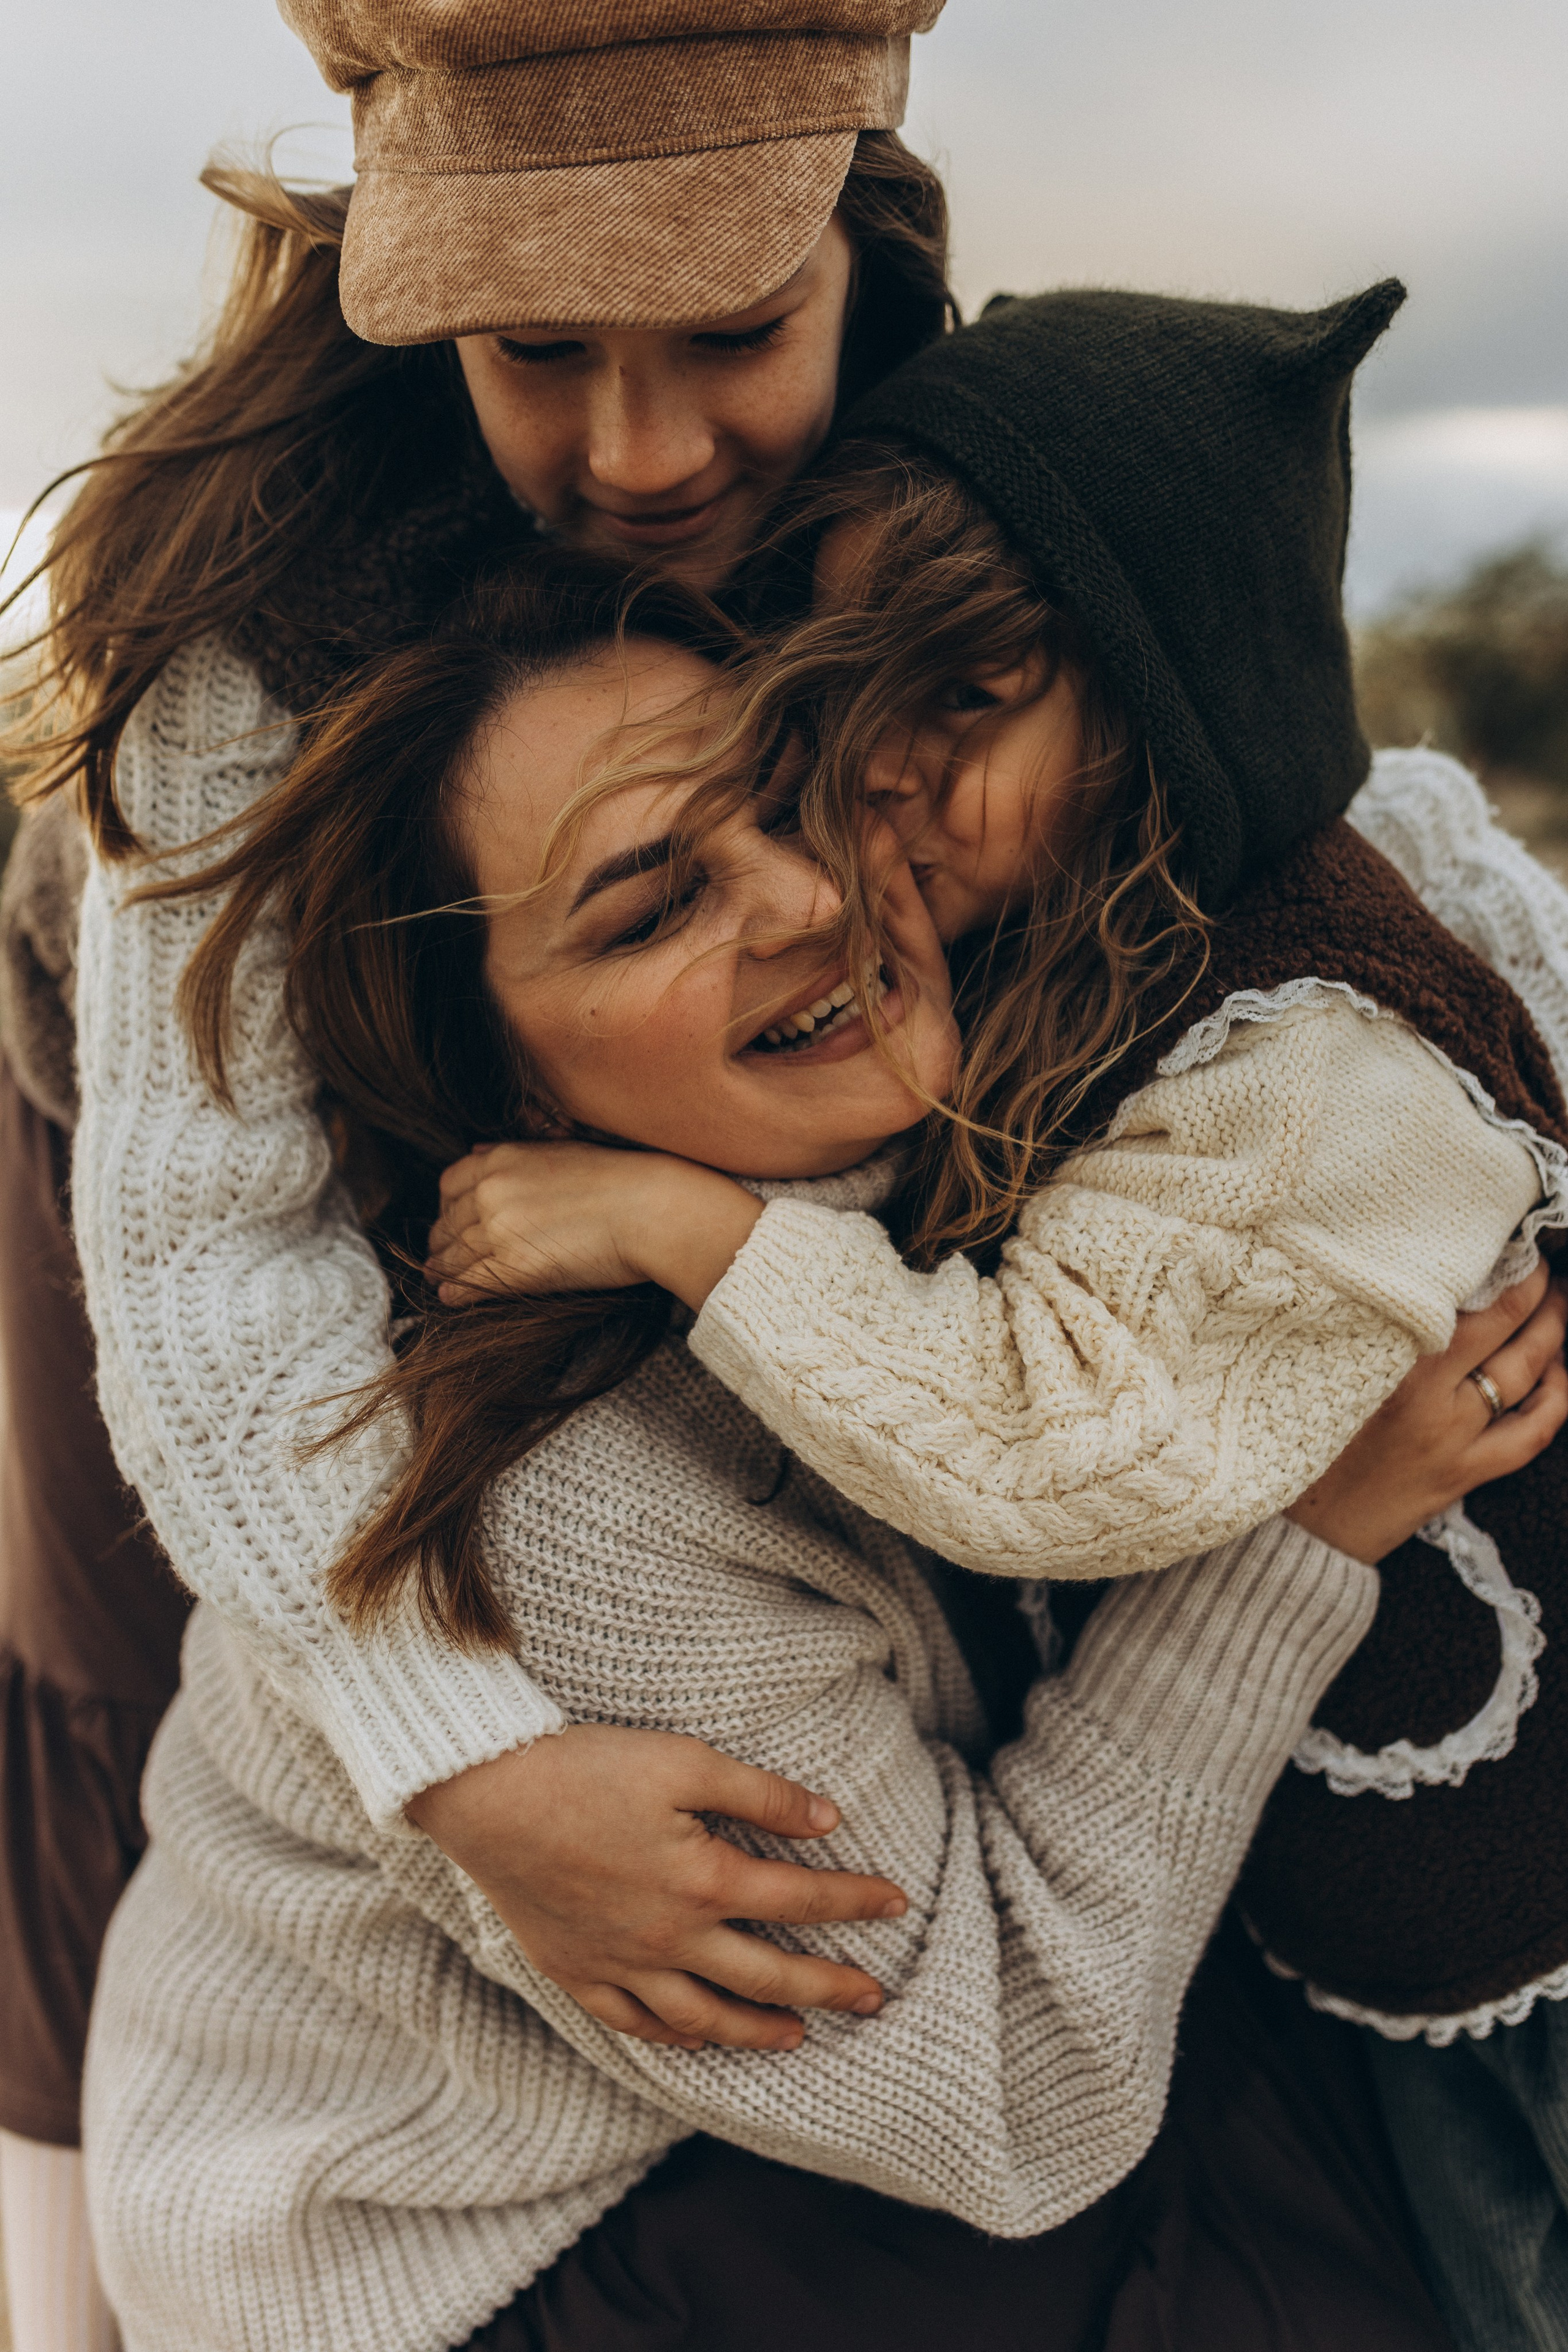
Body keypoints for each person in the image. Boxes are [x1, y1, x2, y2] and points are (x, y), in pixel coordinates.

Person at [75, 552, 1504, 2351]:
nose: (813, 898)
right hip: (470, 2247)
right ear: (509, 1085)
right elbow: (1011, 2097)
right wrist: (1296, 1539)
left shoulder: (961, 1120)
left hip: (784, 2099)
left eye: (789, 795)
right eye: (648, 909)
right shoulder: (579, 1514)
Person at [427, 286, 1568, 2352]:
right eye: (849, 694)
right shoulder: (1077, 959)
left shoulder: (1317, 1059)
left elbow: (1060, 1446)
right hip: (1393, 1939)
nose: (882, 772)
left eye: (969, 696)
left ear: (1169, 694)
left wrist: (692, 1229)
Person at [0, 3, 958, 2339]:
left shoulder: (950, 474)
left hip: (558, 1135)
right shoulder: (245, 595)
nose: (640, 452)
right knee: (135, 1698)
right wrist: (463, 1769)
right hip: (149, 1173)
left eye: (732, 329)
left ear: (866, 238)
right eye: (534, 348)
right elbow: (212, 1284)